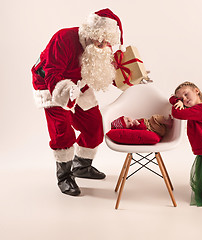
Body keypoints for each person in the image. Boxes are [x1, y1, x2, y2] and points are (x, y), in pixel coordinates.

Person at [31, 8, 126, 196]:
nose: (103, 44)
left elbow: (106, 72)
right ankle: (64, 177)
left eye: (107, 41)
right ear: (91, 32)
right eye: (100, 38)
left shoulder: (102, 47)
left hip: (79, 84)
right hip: (52, 85)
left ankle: (82, 166)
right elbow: (51, 71)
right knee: (62, 131)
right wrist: (64, 92)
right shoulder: (64, 38)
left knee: (94, 126)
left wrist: (132, 77)